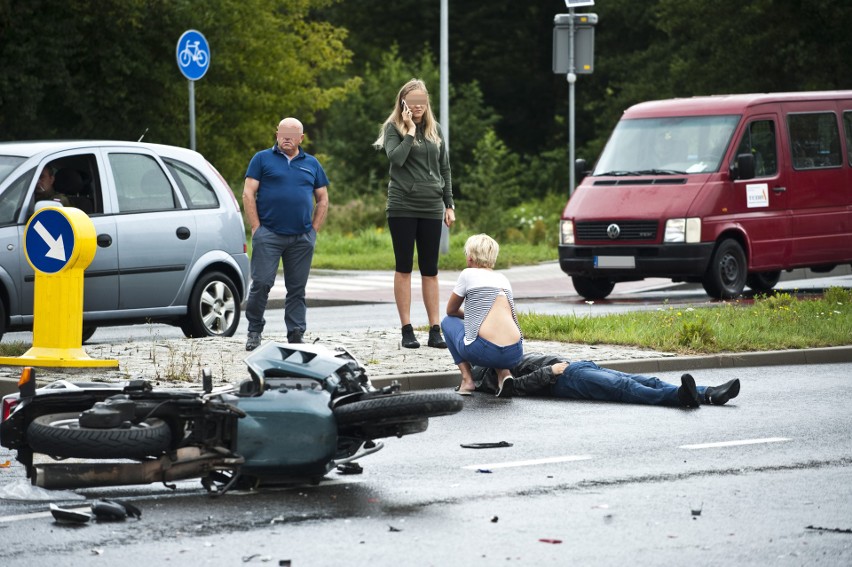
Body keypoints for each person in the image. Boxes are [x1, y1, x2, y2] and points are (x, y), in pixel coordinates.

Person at [373, 78, 455, 350]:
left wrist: (449, 204)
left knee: (430, 270)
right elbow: (396, 159)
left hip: (431, 206)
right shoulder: (392, 128)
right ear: (403, 102)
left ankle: (435, 328)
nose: (418, 107)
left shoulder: (436, 129)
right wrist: (408, 131)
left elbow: (445, 169)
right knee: (404, 266)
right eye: (412, 102)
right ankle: (407, 329)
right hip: (402, 206)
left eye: (422, 101)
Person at [242, 117, 329, 351]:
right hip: (268, 233)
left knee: (297, 288)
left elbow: (322, 198)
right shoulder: (261, 159)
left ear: (301, 138)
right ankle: (254, 331)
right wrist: (256, 228)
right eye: (283, 133)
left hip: (301, 238)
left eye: (292, 134)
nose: (286, 137)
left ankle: (296, 333)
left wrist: (313, 231)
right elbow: (248, 193)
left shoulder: (311, 163)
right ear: (276, 135)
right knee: (261, 283)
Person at [470, 353, 741, 407]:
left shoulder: (496, 356)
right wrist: (551, 372)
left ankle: (709, 393)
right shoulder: (489, 372)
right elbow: (516, 387)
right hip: (565, 378)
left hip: (576, 367)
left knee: (647, 380)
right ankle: (679, 398)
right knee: (625, 388)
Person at [441, 234, 523, 398]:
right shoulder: (503, 278)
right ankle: (504, 375)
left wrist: (470, 317)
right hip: (515, 352)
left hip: (484, 351)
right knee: (497, 332)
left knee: (447, 322)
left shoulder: (467, 274)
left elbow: (450, 310)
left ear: (470, 257)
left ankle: (467, 380)